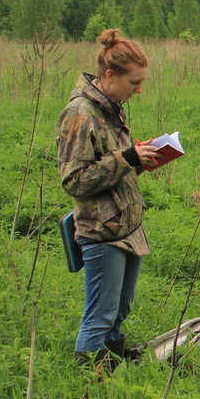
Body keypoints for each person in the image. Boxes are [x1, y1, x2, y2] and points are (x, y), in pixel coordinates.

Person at [57, 29, 160, 371]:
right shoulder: (80, 114)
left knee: (119, 310)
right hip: (102, 231)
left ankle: (112, 366)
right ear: (110, 75)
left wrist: (139, 160)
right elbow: (74, 180)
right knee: (100, 315)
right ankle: (87, 383)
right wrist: (126, 159)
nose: (139, 90)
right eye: (134, 82)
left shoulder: (113, 108)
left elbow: (112, 165)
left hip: (127, 225)